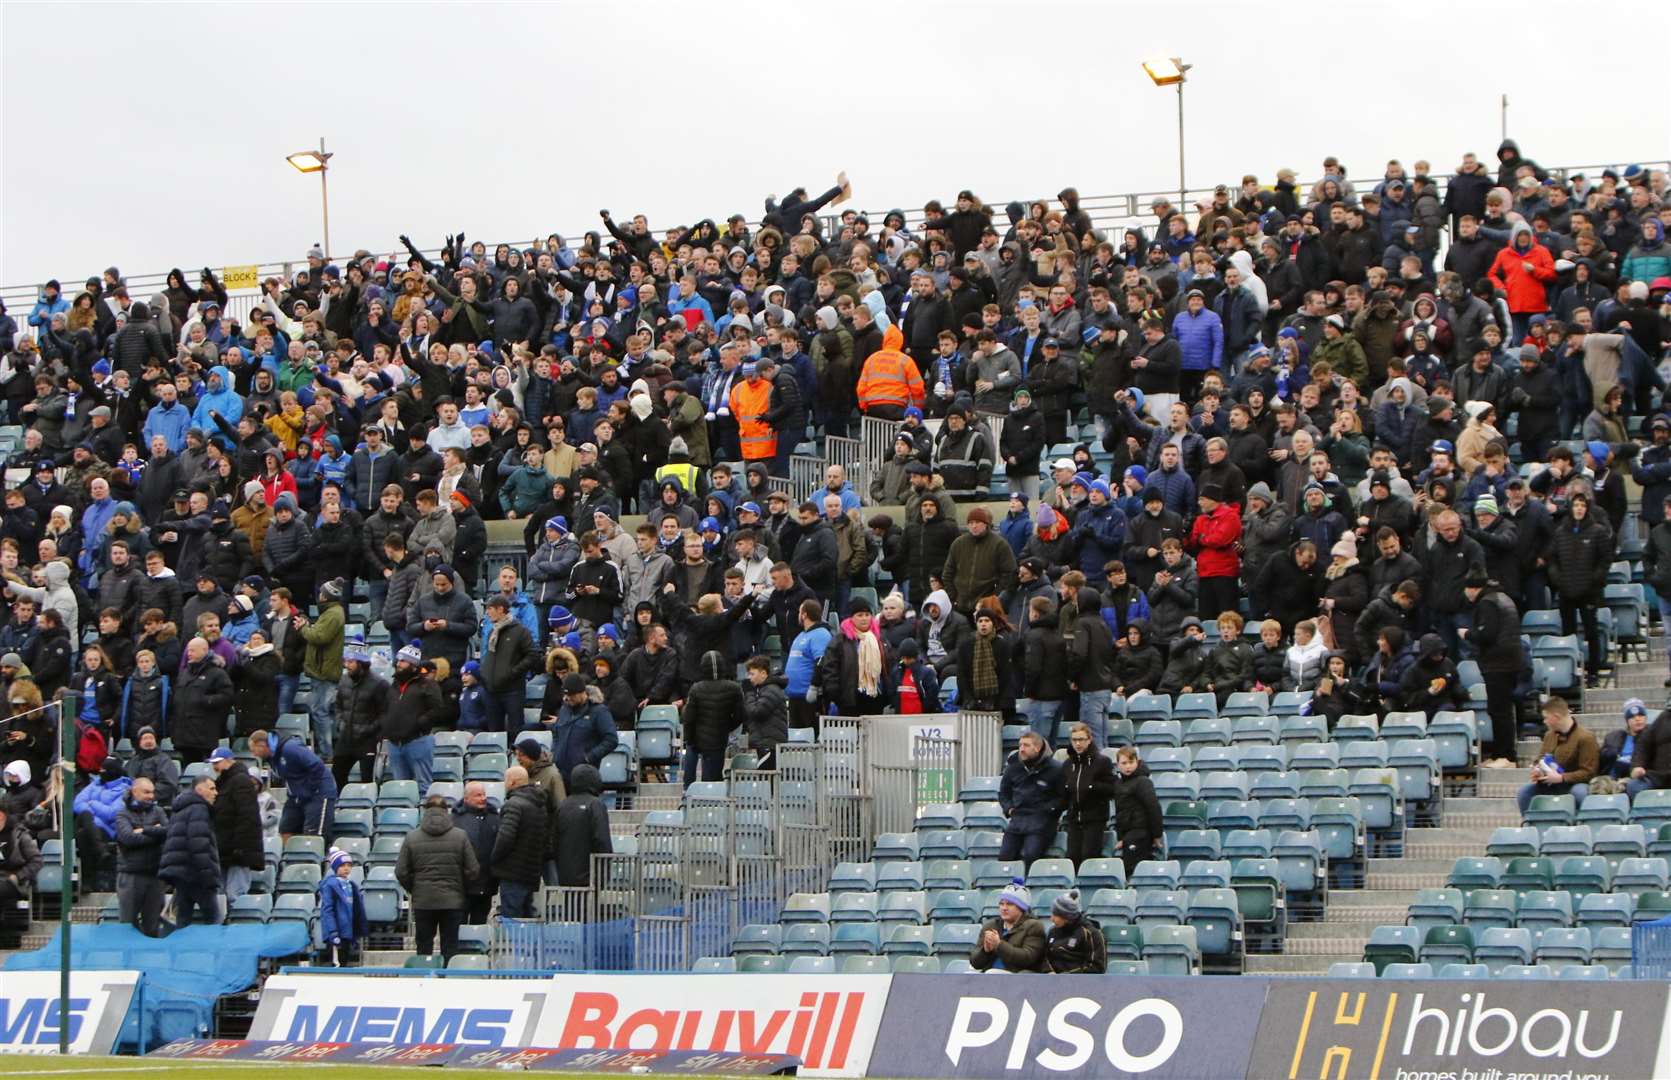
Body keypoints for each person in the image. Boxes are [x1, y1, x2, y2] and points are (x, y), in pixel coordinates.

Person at [396, 795, 479, 961]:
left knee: (424, 948)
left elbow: (401, 871)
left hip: (424, 902)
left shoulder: (412, 837)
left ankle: (424, 981)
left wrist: (415, 888)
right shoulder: (460, 836)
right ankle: (448, 981)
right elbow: (473, 869)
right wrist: (459, 887)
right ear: (446, 811)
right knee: (450, 947)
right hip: (453, 901)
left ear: (425, 810)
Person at [1461, 567, 1523, 768]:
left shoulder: (1487, 603)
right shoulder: (1502, 597)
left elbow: (1487, 634)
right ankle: (1499, 754)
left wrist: (1467, 634)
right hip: (1509, 660)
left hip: (1498, 663)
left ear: (1472, 589)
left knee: (1499, 710)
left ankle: (1507, 756)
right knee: (1500, 709)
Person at [158, 773, 222, 927]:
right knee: (213, 920)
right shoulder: (199, 809)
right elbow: (198, 845)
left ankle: (181, 951)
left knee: (183, 920)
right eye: (212, 789)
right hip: (196, 874)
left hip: (182, 874)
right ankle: (214, 950)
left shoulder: (180, 809)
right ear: (200, 789)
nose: (216, 793)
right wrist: (208, 877)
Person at [248, 728, 337, 840]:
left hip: (318, 793)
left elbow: (317, 766)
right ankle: (289, 856)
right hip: (296, 796)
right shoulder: (272, 757)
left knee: (313, 836)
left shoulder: (290, 748)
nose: (254, 754)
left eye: (253, 750)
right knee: (286, 829)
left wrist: (308, 789)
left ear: (261, 745)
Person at [1518, 698, 1599, 816]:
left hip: (1573, 784)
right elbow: (1540, 759)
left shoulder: (1586, 738)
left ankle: (1583, 825)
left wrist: (1562, 778)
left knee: (1580, 792)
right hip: (1550, 783)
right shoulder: (1548, 736)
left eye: (1546, 718)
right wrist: (1537, 770)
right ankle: (1531, 826)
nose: (1544, 721)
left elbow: (1589, 772)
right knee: (1525, 792)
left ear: (1556, 717)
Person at [997, 730, 1063, 868]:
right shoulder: (1013, 767)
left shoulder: (1055, 769)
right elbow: (1004, 793)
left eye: (1026, 745)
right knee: (1005, 857)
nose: (1021, 749)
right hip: (1017, 819)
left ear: (1037, 748)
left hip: (1042, 822)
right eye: (1020, 745)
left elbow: (1063, 797)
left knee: (1031, 856)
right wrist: (1008, 808)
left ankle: (1027, 887)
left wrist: (1048, 811)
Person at [113, 775, 168, 936]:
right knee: (127, 925)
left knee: (153, 925)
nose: (151, 796)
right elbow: (128, 838)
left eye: (152, 792)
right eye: (146, 792)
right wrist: (154, 832)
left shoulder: (158, 811)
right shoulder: (122, 814)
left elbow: (167, 831)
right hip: (131, 875)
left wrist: (143, 830)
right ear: (134, 792)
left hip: (155, 875)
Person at [208, 746, 264, 903]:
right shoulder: (222, 783)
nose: (214, 767)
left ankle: (239, 927)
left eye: (217, 762)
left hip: (238, 851)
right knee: (221, 897)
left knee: (235, 897)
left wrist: (240, 847)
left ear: (229, 761)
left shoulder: (240, 781)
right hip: (225, 849)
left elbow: (248, 817)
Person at [385, 644, 443, 791]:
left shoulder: (427, 684)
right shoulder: (393, 686)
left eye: (403, 661)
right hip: (394, 744)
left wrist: (420, 723)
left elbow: (437, 709)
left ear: (413, 664)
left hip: (418, 741)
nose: (399, 664)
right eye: (398, 661)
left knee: (423, 787)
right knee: (400, 788)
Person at [682, 650, 743, 786]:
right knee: (712, 782)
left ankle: (687, 793)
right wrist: (726, 727)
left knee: (691, 768)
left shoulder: (696, 688)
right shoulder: (734, 688)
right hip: (718, 740)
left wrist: (689, 738)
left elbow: (688, 717)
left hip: (697, 739)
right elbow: (740, 715)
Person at [1060, 723, 1117, 870]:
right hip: (1074, 818)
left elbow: (1113, 788)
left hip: (1094, 818)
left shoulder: (1102, 762)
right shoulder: (1068, 764)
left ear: (1089, 739)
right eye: (1074, 740)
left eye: (1081, 739)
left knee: (1088, 857)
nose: (1077, 743)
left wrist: (1092, 787)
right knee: (1072, 857)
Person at [493, 764, 547, 918]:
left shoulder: (513, 805)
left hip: (512, 873)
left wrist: (494, 859)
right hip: (530, 872)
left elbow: (505, 838)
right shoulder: (539, 804)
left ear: (511, 782)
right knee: (526, 920)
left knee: (512, 923)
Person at [548, 673, 619, 787]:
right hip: (561, 774)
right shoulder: (564, 709)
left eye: (571, 695)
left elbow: (611, 740)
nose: (567, 698)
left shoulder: (599, 711)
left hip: (584, 776)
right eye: (565, 695)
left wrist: (589, 757)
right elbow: (556, 733)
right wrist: (555, 753)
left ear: (582, 693)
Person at [968, 877, 1048, 973]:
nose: (1004, 908)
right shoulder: (991, 926)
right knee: (968, 975)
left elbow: (1028, 958)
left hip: (1017, 978)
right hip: (990, 975)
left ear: (1021, 908)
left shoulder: (1034, 926)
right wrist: (985, 951)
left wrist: (999, 945)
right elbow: (975, 963)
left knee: (992, 973)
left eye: (1009, 904)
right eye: (1001, 904)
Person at [554, 764, 614, 888]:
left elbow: (554, 839)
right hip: (590, 875)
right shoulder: (595, 804)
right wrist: (603, 874)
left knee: (570, 906)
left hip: (565, 875)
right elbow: (602, 840)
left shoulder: (563, 805)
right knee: (589, 907)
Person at [451, 781, 500, 924]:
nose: (483, 798)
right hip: (462, 886)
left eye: (484, 794)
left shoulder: (494, 818)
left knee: (480, 924)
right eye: (478, 795)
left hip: (487, 883)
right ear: (466, 798)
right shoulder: (455, 820)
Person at [1111, 746, 1164, 877]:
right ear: (1118, 765)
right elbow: (1120, 812)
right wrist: (1121, 837)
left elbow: (1154, 807)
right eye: (1124, 763)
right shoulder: (1119, 784)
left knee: (1135, 871)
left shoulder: (1143, 782)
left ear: (1137, 762)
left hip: (1141, 832)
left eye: (1131, 762)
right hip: (1128, 834)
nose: (1128, 766)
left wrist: (1156, 835)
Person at [316, 848, 367, 967]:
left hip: (347, 933)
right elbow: (327, 911)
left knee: (344, 962)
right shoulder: (330, 885)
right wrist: (333, 932)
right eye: (342, 865)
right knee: (337, 965)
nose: (346, 868)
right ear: (335, 867)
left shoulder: (351, 885)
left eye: (349, 865)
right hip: (337, 933)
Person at [739, 656, 788, 769]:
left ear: (763, 673)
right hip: (765, 742)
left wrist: (749, 694)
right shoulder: (763, 690)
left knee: (768, 781)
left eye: (752, 674)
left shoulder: (771, 690)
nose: (749, 678)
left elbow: (757, 712)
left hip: (769, 744)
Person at [1044, 891, 1107, 975]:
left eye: (1055, 915)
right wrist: (1048, 971)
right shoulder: (1053, 931)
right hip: (1049, 981)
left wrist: (1067, 976)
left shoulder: (1091, 934)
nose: (1051, 919)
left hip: (1078, 984)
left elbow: (1096, 967)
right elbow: (1044, 957)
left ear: (1066, 916)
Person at [1601, 699, 1651, 781]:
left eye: (1641, 715)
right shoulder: (1613, 737)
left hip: (1639, 778)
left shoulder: (1653, 736)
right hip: (1615, 777)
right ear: (1627, 720)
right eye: (1632, 717)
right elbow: (1603, 764)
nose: (1637, 719)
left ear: (1645, 718)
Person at [1628, 705, 1671, 797]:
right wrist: (1637, 766)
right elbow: (1643, 744)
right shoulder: (1663, 718)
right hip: (1660, 775)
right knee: (1634, 786)